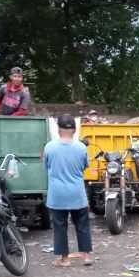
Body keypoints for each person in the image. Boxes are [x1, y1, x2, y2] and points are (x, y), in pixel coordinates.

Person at [43, 114, 92, 267]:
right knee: (82, 225)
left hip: (57, 195)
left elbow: (47, 166)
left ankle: (65, 259)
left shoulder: (49, 147)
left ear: (58, 130)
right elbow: (85, 166)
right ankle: (86, 256)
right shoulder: (81, 147)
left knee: (60, 227)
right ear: (75, 130)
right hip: (77, 194)